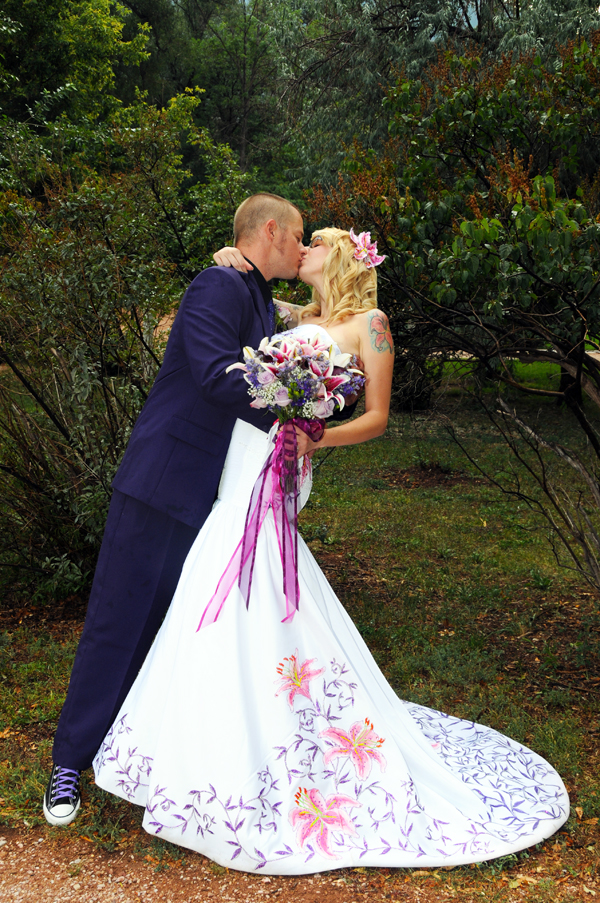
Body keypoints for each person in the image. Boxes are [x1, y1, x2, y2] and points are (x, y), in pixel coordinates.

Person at [93, 227, 569, 874]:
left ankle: (270, 734)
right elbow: (212, 317)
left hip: (284, 459)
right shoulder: (297, 315)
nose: (303, 250)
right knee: (223, 565)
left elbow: (376, 416)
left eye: (314, 242)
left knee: (251, 570)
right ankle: (216, 739)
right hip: (239, 456)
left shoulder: (370, 324)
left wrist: (317, 437)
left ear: (342, 256)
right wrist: (227, 260)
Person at [43, 193, 319, 826]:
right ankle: (68, 762)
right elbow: (217, 375)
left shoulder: (253, 293)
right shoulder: (219, 285)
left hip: (210, 496)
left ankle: (127, 746)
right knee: (118, 619)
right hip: (161, 479)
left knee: (165, 627)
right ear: (269, 230)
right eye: (296, 235)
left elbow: (312, 322)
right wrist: (291, 402)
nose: (301, 246)